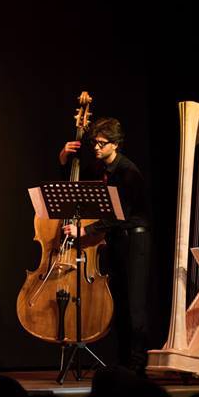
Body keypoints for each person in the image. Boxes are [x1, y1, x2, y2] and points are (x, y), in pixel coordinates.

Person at [60, 117, 151, 376]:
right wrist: (64, 157)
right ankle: (123, 363)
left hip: (135, 239)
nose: (97, 148)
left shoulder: (128, 172)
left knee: (134, 306)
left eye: (102, 144)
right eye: (95, 143)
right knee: (119, 303)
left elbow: (119, 214)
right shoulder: (100, 169)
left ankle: (137, 366)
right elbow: (73, 187)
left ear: (116, 144)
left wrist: (85, 230)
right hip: (116, 240)